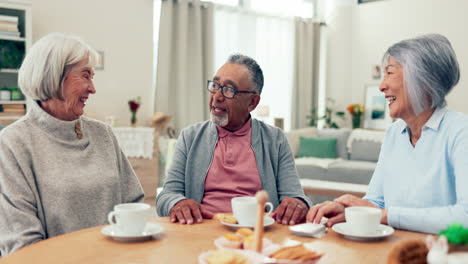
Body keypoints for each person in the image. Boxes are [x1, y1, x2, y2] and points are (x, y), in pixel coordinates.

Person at [307, 34, 468, 234]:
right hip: (394, 251)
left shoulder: (460, 131)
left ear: (422, 79)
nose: (382, 86)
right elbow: (376, 201)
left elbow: (465, 216)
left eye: (390, 73)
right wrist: (350, 210)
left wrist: (386, 216)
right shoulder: (394, 133)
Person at [0, 33, 144, 255]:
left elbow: (133, 202)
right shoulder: (13, 143)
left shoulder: (102, 133)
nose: (93, 88)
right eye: (85, 76)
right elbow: (22, 244)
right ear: (53, 76)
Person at [156, 54, 311, 225]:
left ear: (252, 102)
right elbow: (166, 196)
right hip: (202, 230)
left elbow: (296, 196)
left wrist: (297, 204)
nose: (217, 96)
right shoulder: (190, 137)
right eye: (215, 85)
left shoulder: (275, 140)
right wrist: (177, 203)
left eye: (229, 90)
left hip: (258, 232)